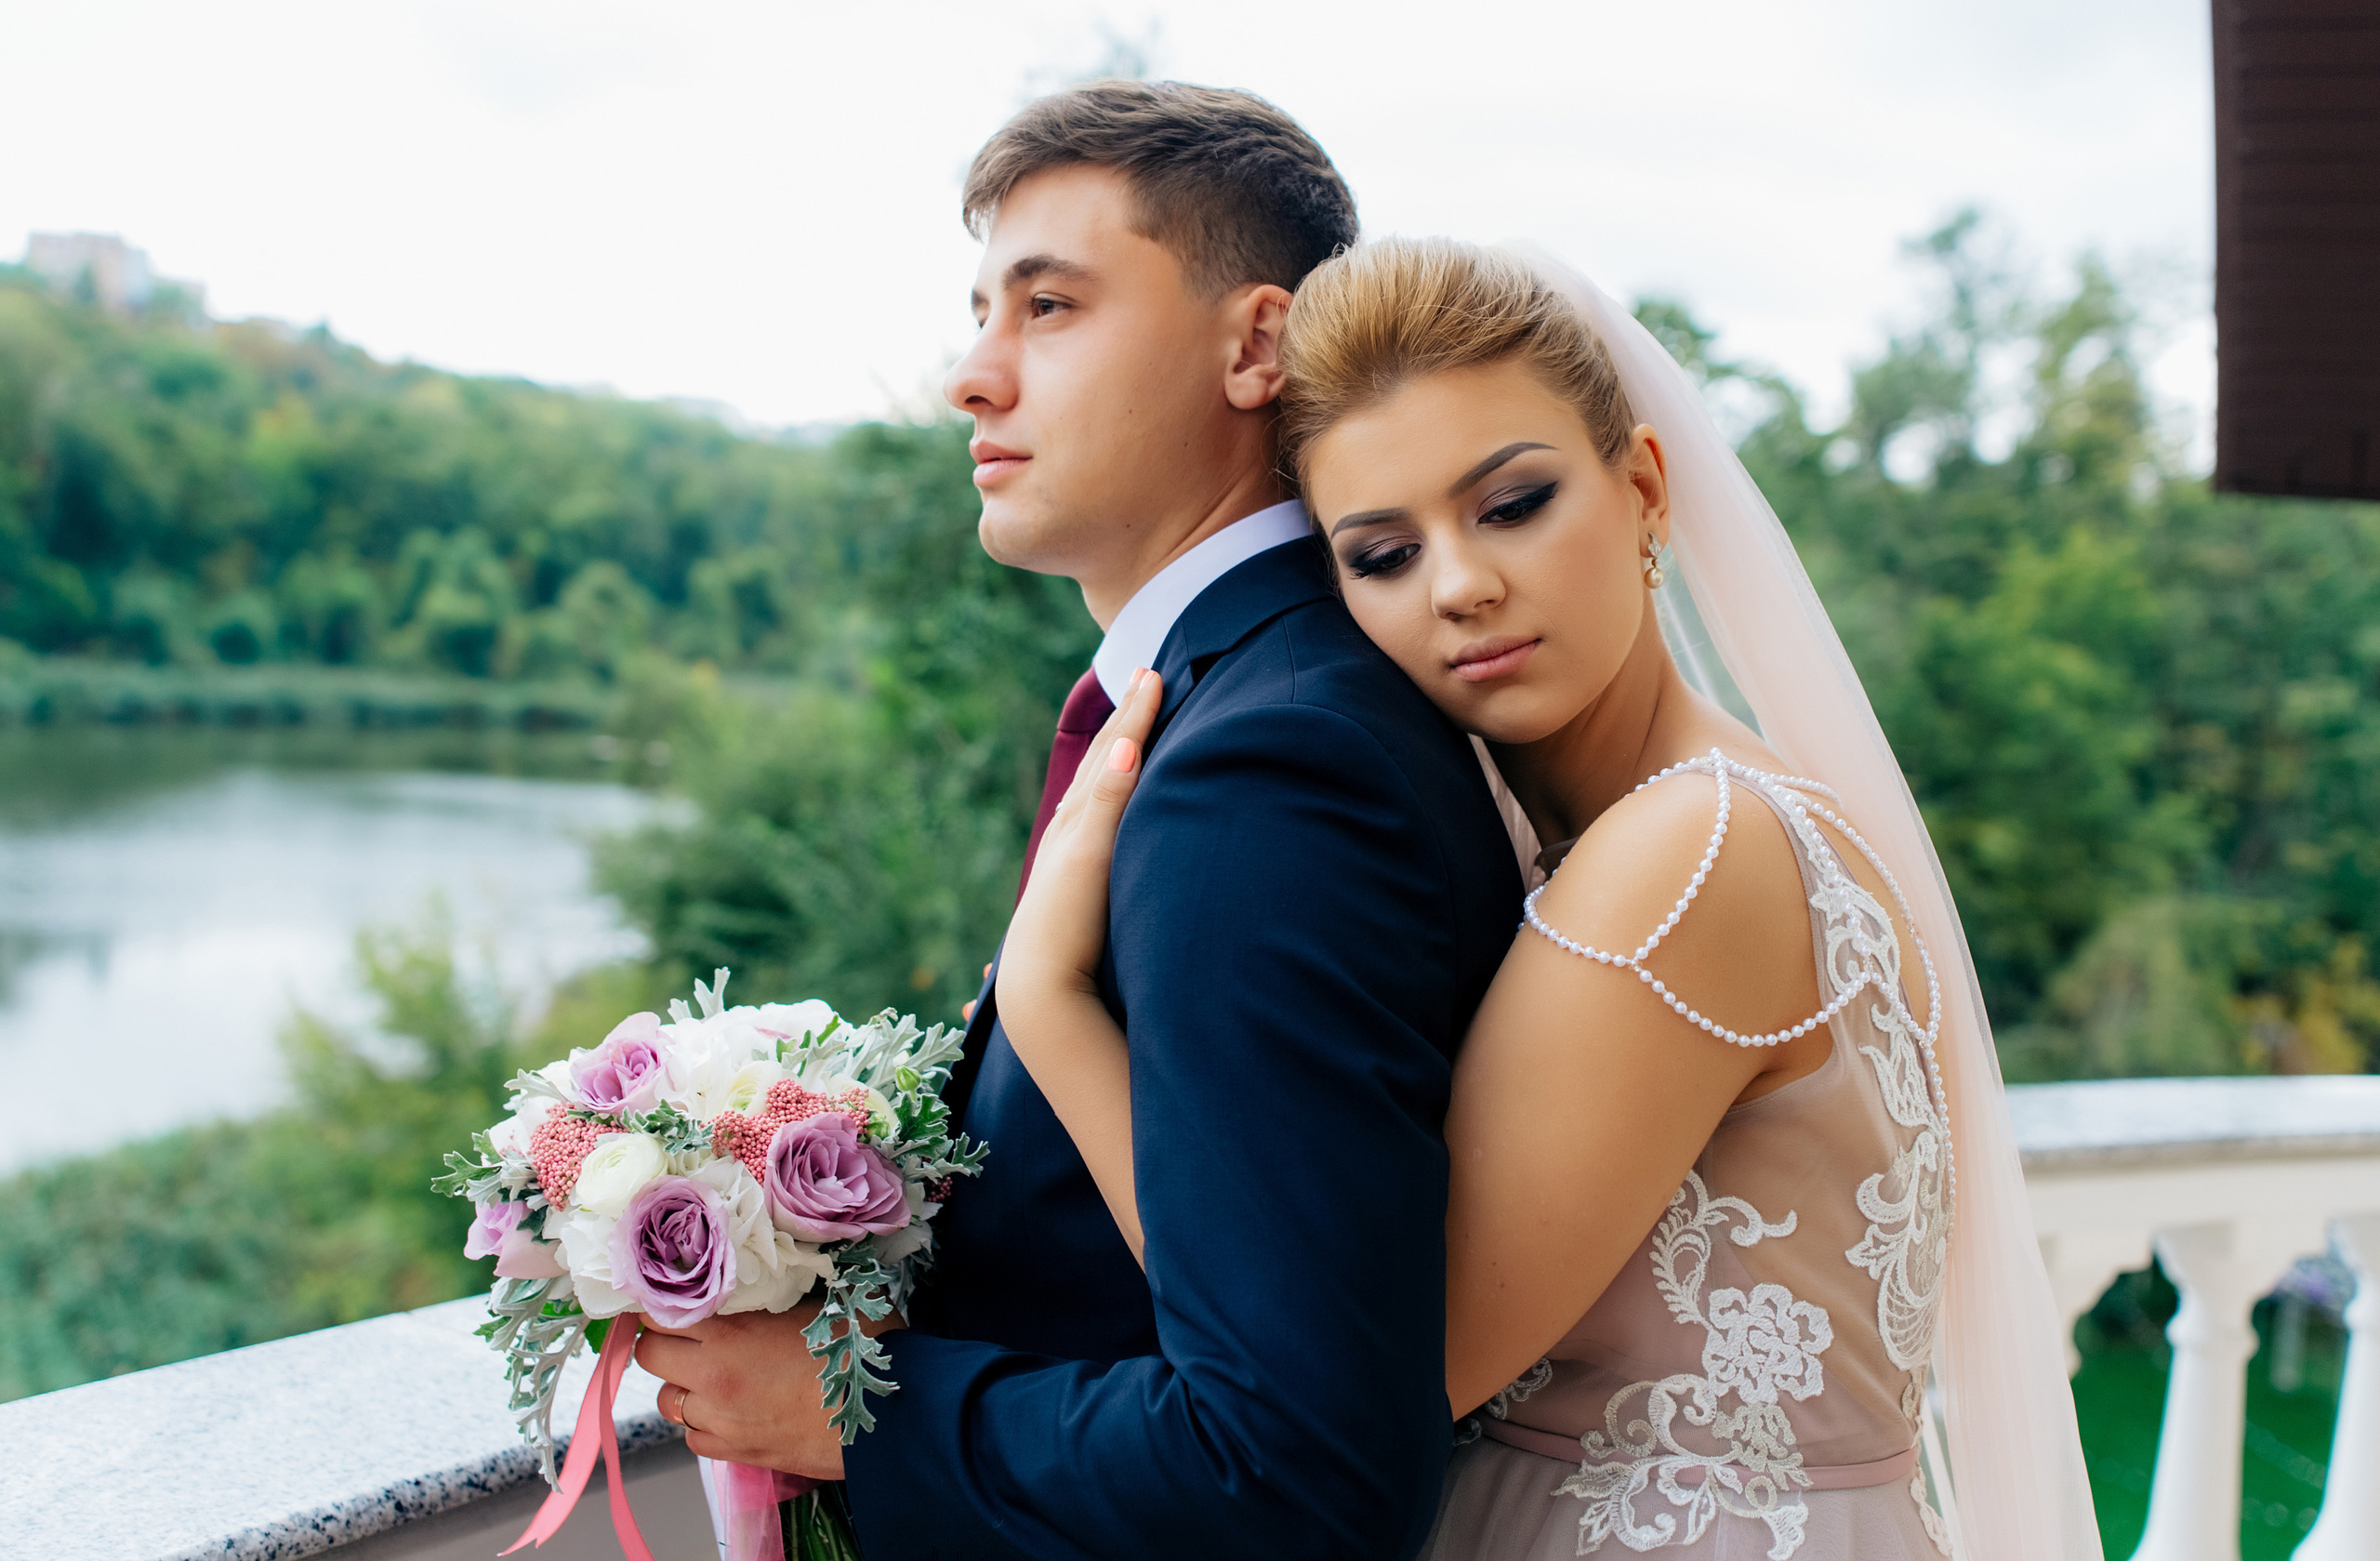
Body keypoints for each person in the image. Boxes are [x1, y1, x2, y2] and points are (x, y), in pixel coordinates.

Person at [998, 239, 2102, 1559]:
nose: (1459, 587)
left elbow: (1394, 1371)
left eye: (1511, 504)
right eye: (1384, 553)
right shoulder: (1692, 820)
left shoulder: (1688, 856)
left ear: (1642, 489)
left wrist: (1051, 1012)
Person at [629, 85, 1524, 1559]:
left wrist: (852, 1407)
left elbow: (1302, 1469)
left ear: (1257, 347)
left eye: (1049, 307)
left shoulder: (1277, 767)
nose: (970, 380)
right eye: (980, 311)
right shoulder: (1221, 705)